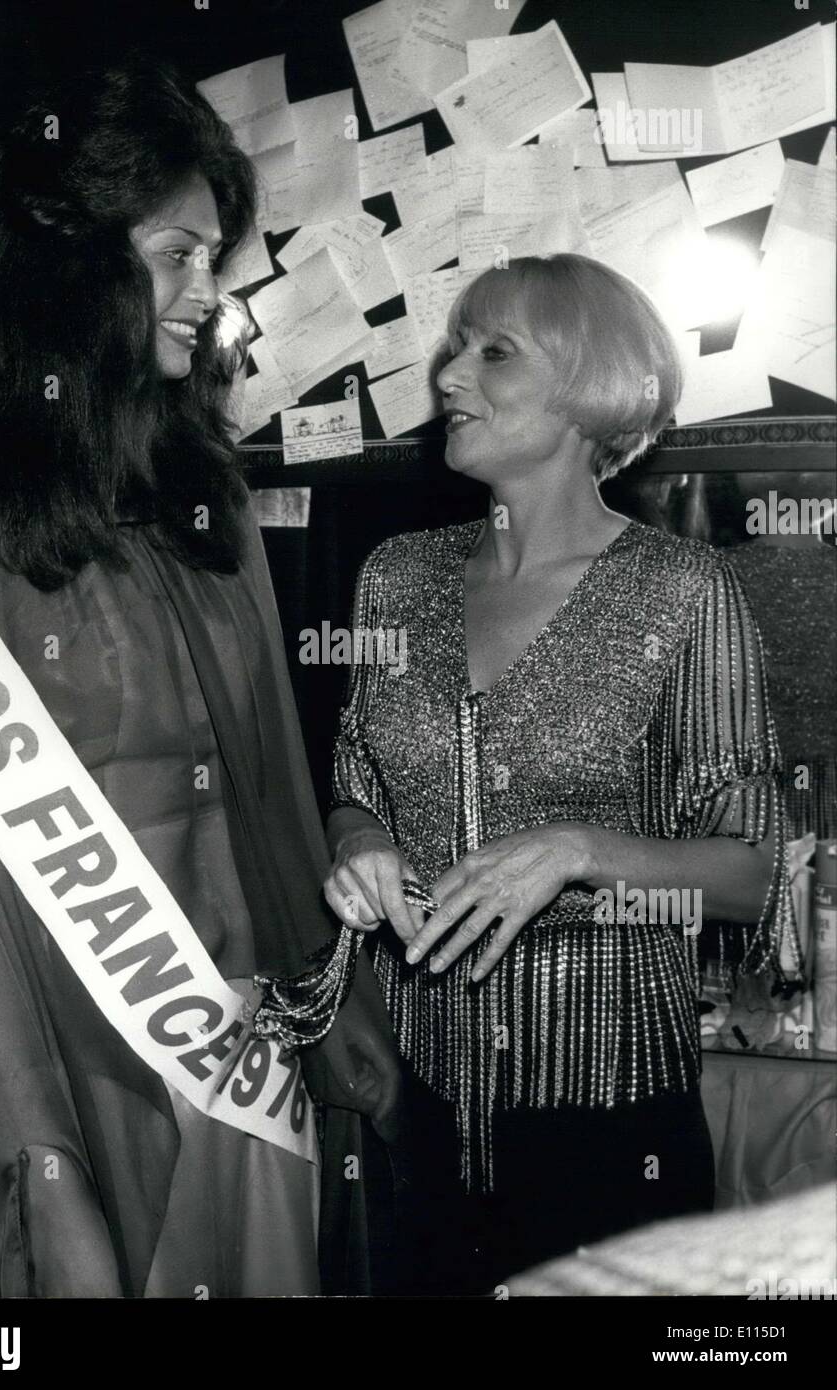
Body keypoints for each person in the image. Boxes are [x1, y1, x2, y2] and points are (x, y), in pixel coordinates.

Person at [0, 56, 400, 1299]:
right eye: (177, 255)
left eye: (213, 258)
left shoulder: (204, 501)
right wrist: (43, 1172)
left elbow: (269, 777)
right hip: (78, 1056)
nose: (205, 293)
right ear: (76, 272)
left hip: (246, 1046)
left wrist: (339, 1007)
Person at [325, 254, 802, 1295]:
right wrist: (358, 844)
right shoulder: (390, 577)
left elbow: (763, 872)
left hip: (608, 1115)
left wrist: (581, 851)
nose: (448, 375)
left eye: (492, 352)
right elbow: (354, 777)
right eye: (455, 347)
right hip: (421, 1104)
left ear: (594, 386)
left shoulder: (680, 588)